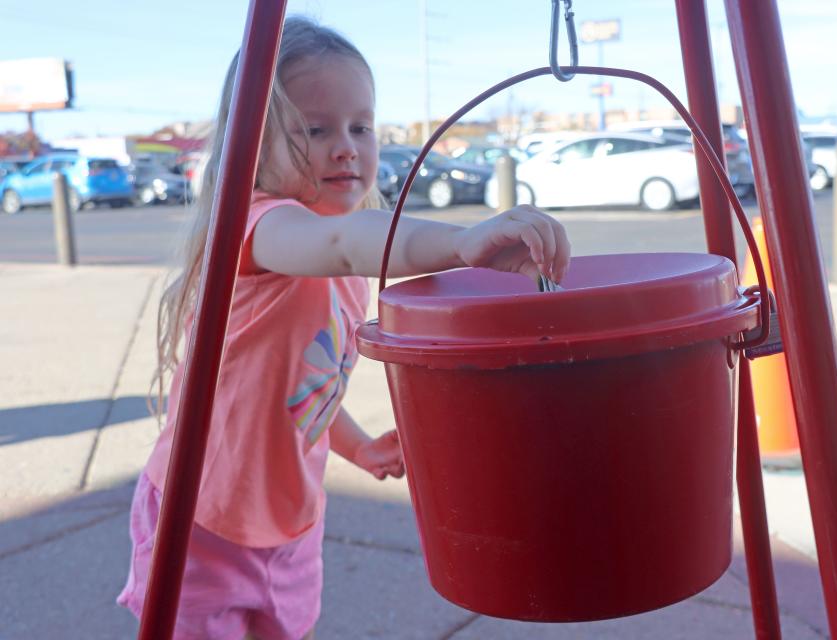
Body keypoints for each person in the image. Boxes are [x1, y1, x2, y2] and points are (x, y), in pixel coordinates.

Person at [117, 15, 570, 640]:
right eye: (315, 128)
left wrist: (356, 446)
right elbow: (345, 240)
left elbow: (305, 387)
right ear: (254, 142)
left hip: (290, 522)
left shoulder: (342, 264)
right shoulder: (257, 230)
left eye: (361, 126)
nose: (346, 145)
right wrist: (462, 242)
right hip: (203, 522)